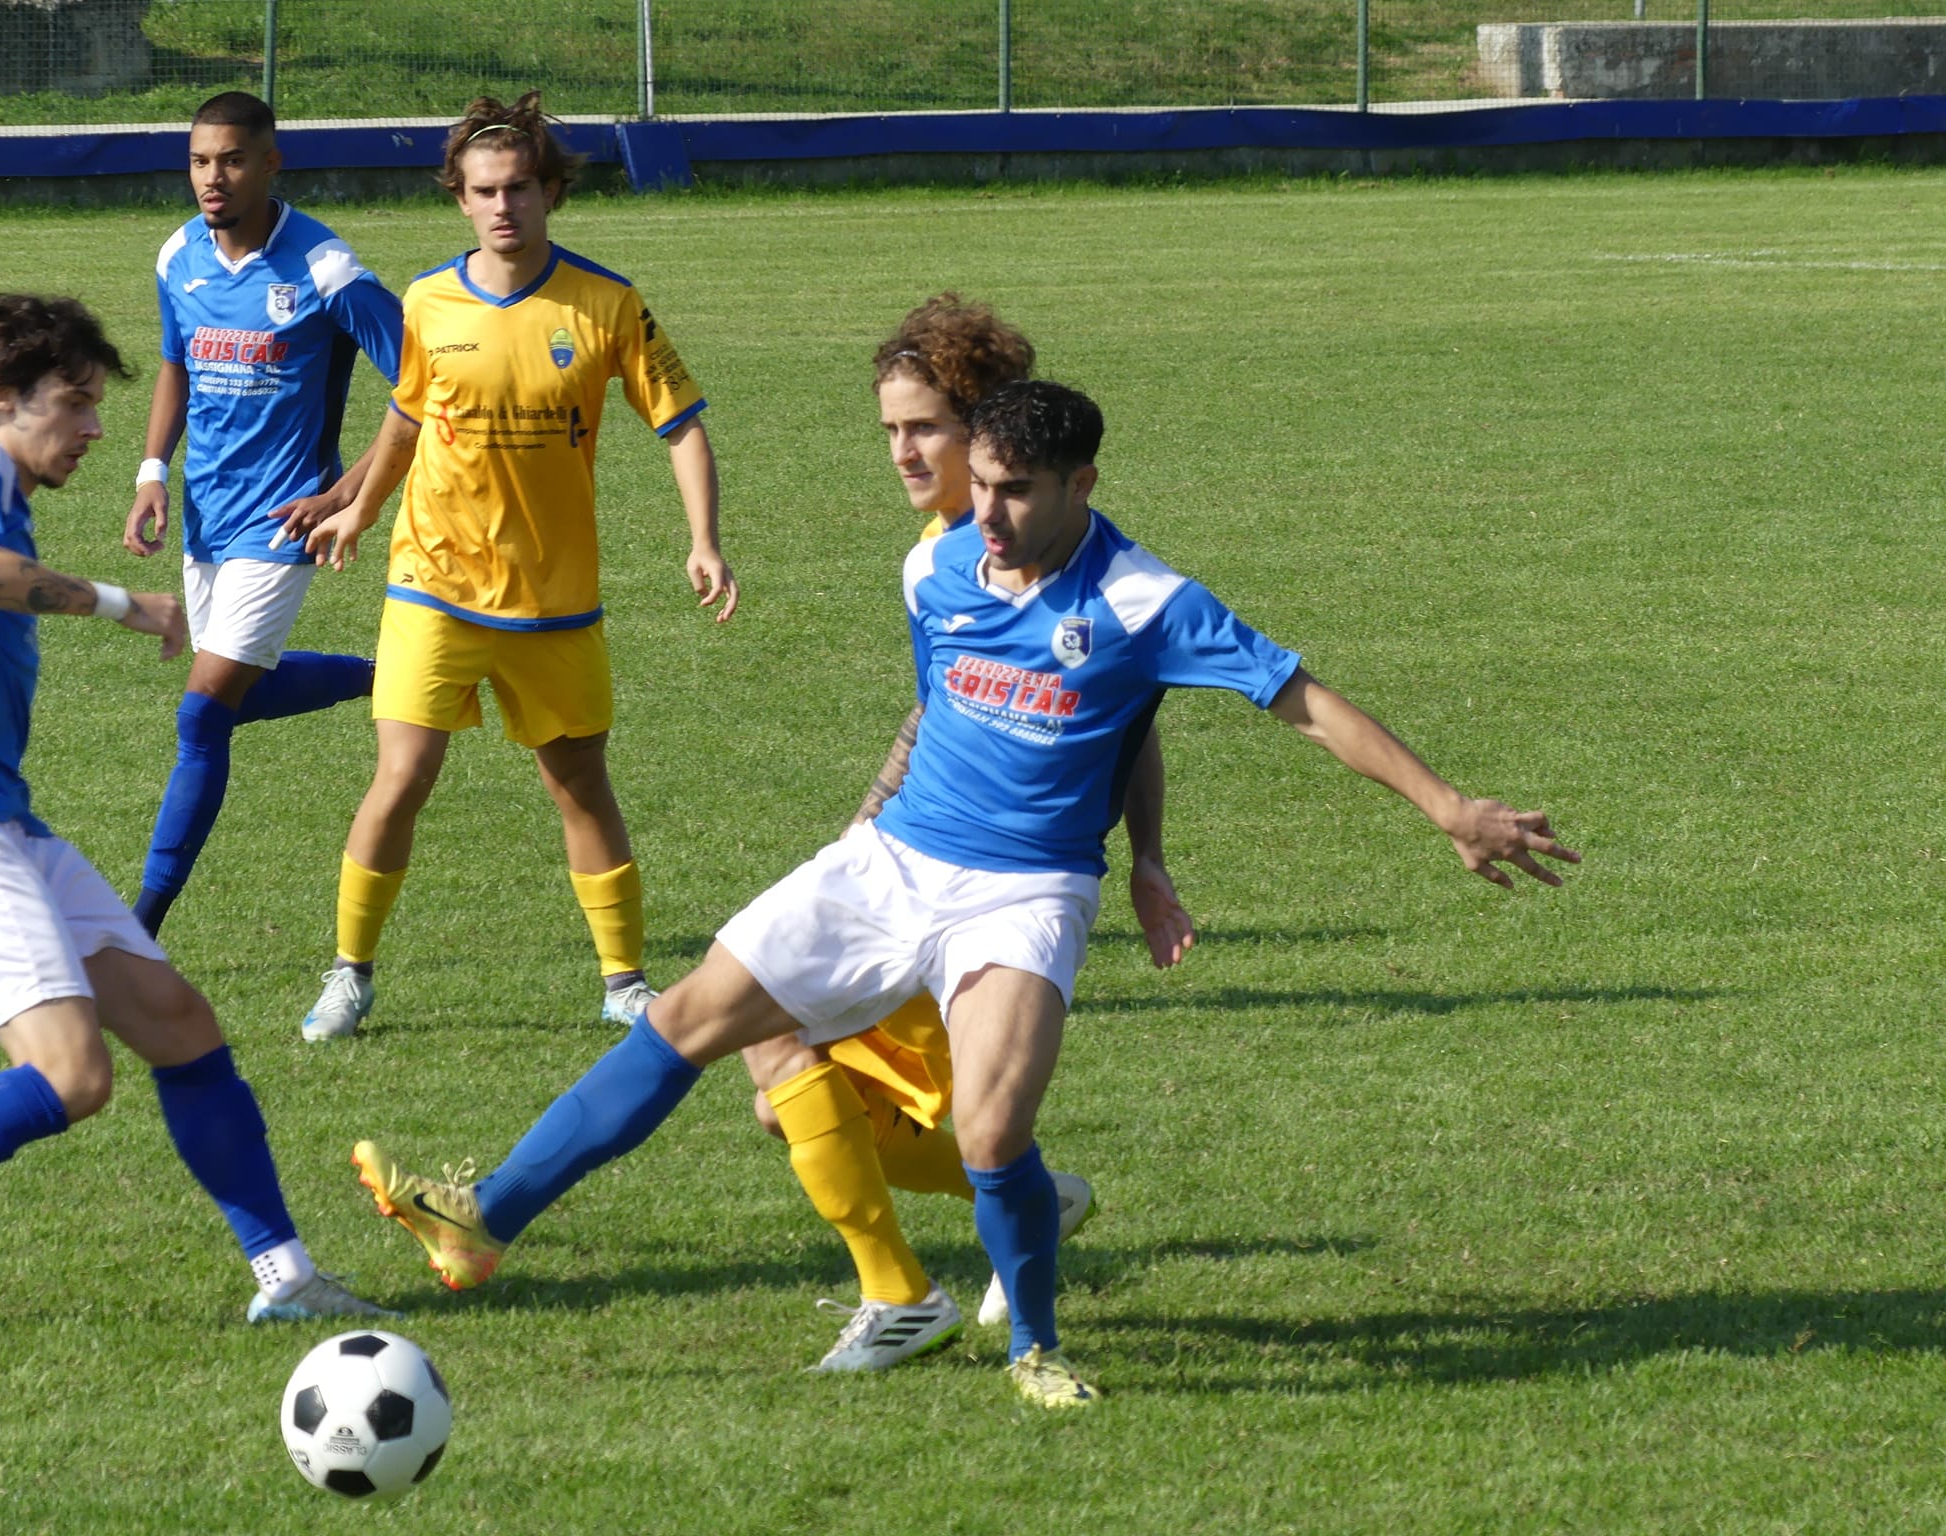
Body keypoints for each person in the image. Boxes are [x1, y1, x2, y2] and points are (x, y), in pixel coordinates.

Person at [347, 380, 1577, 1409]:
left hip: (1026, 892)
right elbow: (939, 710)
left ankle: (1035, 1348)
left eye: (1014, 491)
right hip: (889, 860)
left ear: (1079, 487)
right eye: (978, 482)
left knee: (990, 1133)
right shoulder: (934, 566)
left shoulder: (1147, 601)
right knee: (685, 1020)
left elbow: (1290, 704)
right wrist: (865, 841)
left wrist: (1444, 808)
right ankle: (485, 1221)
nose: (984, 511)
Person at [0, 293, 386, 1323]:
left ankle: (288, 1279)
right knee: (74, 1075)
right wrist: (127, 606)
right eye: (72, 404)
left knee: (176, 1023)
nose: (94, 428)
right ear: (1, 397)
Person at [737, 295, 1192, 1372]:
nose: (900, 450)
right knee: (789, 1091)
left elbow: (1122, 721)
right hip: (907, 860)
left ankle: (906, 1292)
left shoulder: (1033, 548)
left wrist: (1144, 861)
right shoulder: (954, 547)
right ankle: (1023, 1206)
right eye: (889, 428)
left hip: (973, 887)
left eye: (924, 429)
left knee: (785, 1069)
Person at [286, 92, 736, 1042]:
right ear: (460, 198)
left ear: (551, 192)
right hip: (433, 583)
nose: (503, 207)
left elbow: (683, 427)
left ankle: (624, 984)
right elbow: (407, 419)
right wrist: (359, 510)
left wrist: (704, 540)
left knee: (579, 784)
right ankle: (349, 975)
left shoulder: (607, 303)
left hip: (552, 598)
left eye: (520, 188)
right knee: (401, 774)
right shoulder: (427, 301)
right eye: (485, 190)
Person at [121, 91, 403, 941]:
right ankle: (390, 678)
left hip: (281, 525)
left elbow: (427, 390)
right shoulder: (179, 255)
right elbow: (176, 363)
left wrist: (347, 491)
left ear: (272, 164)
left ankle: (141, 928)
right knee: (235, 697)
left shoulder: (326, 271)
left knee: (204, 711)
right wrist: (151, 473)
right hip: (206, 515)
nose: (214, 177)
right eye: (202, 160)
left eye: (234, 159)